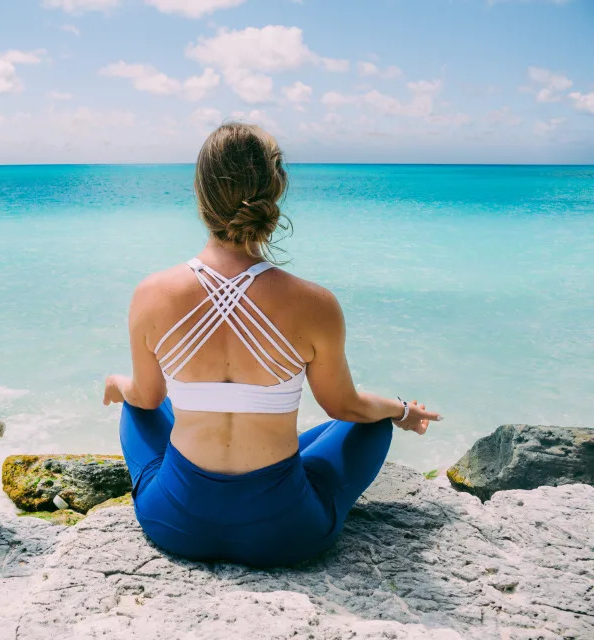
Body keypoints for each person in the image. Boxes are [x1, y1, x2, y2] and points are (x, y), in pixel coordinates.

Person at [103, 122, 441, 567]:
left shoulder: (151, 293)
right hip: (284, 532)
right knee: (371, 420)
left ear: (200, 193)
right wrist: (401, 409)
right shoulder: (315, 303)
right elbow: (347, 408)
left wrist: (115, 383)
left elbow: (148, 397)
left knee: (136, 405)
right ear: (276, 190)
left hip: (176, 524)